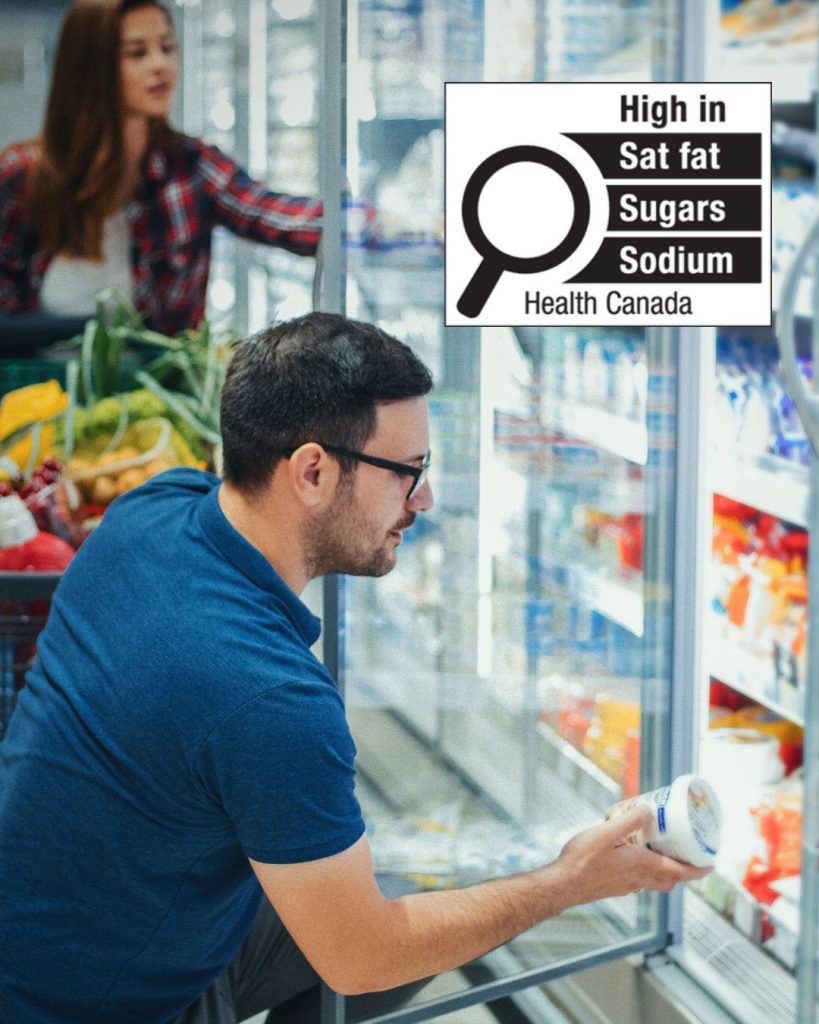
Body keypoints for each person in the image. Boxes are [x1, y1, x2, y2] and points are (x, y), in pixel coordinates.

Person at [0, 312, 708, 1023]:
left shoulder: (151, 511)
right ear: (310, 471)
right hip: (98, 1004)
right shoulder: (266, 697)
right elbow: (363, 957)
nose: (423, 499)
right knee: (384, 943)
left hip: (49, 934)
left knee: (401, 901)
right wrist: (568, 881)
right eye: (409, 472)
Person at [0, 0, 321, 336]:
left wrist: (361, 221)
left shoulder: (191, 168)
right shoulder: (22, 179)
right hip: (35, 387)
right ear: (90, 67)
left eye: (168, 48)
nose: (161, 65)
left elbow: (273, 214)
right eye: (136, 53)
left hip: (159, 389)